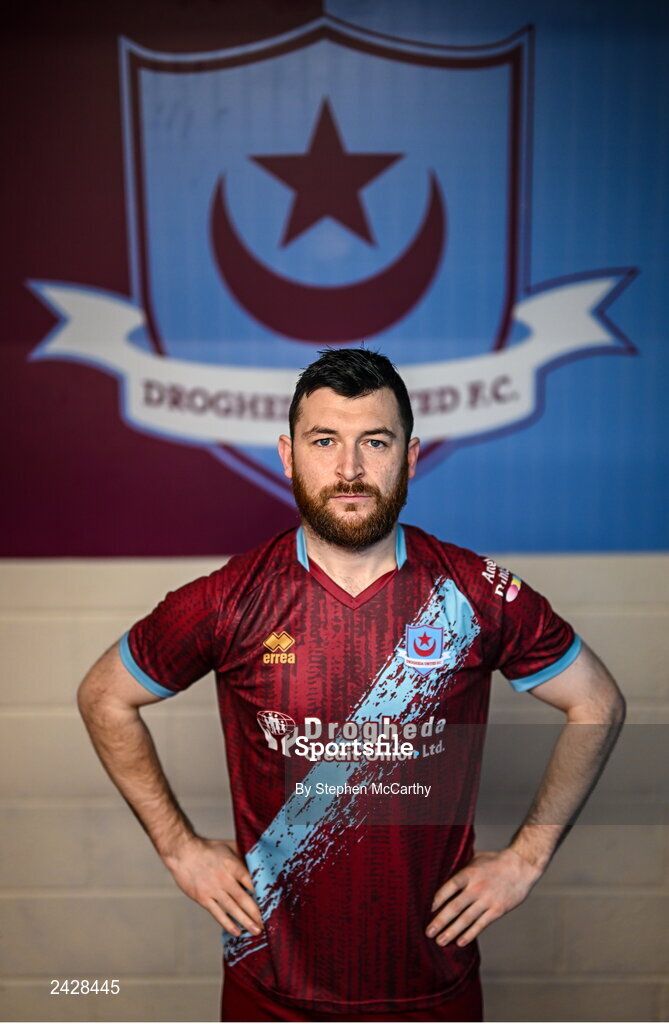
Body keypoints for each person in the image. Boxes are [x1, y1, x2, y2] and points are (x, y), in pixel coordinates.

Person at [77, 348, 625, 1022]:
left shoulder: (474, 593)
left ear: (410, 457)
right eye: (324, 441)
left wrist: (527, 858)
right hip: (270, 990)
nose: (349, 468)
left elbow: (597, 702)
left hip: (432, 987)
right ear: (287, 456)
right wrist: (178, 847)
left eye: (375, 441)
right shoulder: (230, 599)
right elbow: (104, 695)